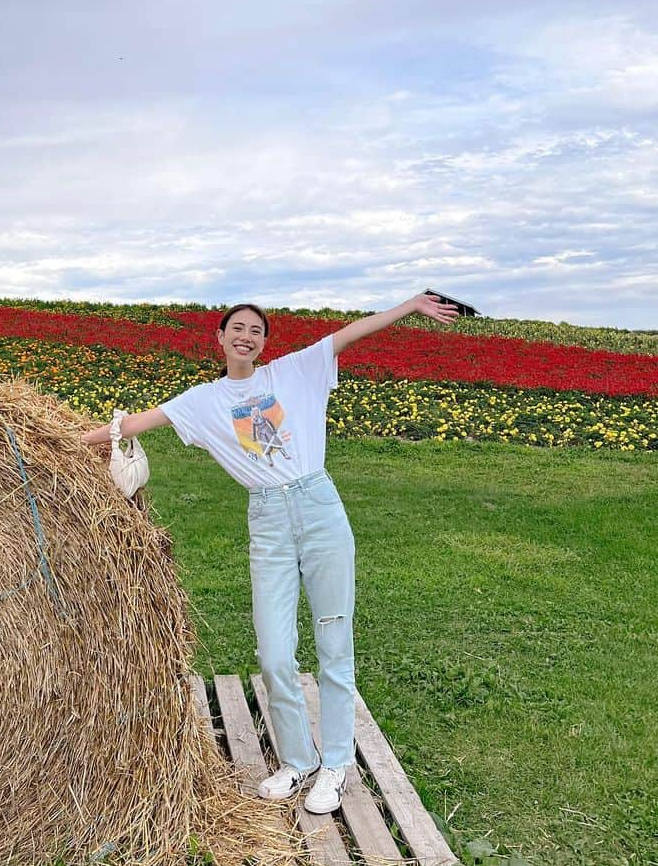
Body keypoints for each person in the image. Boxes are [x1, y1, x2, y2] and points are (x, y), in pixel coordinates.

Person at [81, 292, 459, 813]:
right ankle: (298, 761)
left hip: (319, 508)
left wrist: (413, 305)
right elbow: (134, 425)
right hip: (268, 522)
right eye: (237, 328)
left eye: (255, 331)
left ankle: (334, 765)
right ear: (219, 337)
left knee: (333, 641)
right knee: (275, 653)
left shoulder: (296, 372)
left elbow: (356, 331)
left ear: (263, 343)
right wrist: (62, 443)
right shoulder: (203, 400)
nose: (246, 336)